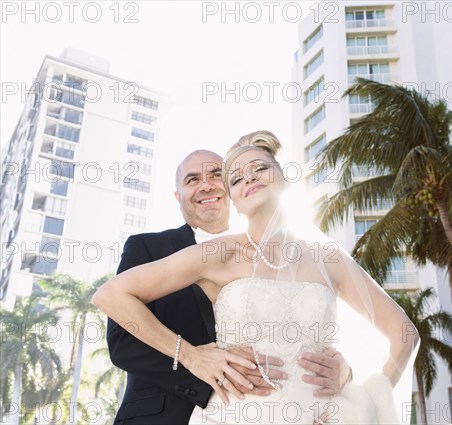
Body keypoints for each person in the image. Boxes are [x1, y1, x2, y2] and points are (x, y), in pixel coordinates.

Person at [95, 131, 419, 424]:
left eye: (260, 169)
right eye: (235, 178)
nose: (248, 178)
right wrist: (190, 355)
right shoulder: (218, 253)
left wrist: (356, 394)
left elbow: (404, 334)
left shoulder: (328, 258)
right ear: (232, 199)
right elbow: (111, 295)